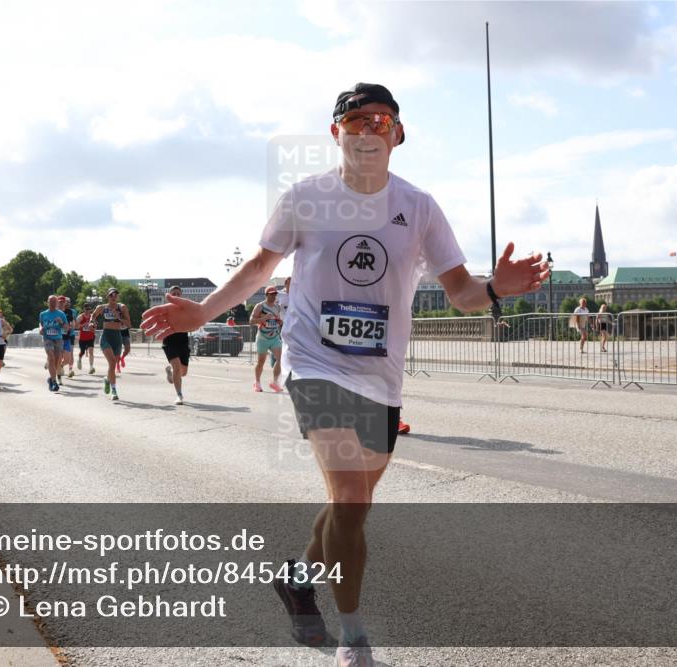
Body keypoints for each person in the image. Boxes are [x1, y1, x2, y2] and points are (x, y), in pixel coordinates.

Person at [141, 82, 548, 666]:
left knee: (348, 508)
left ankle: (297, 577)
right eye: (354, 121)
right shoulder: (306, 197)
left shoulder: (420, 206)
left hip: (381, 377)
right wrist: (203, 313)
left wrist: (493, 288)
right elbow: (261, 266)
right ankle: (355, 640)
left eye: (379, 121)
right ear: (336, 134)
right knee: (352, 497)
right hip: (313, 361)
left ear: (398, 135)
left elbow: (458, 291)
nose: (367, 130)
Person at [91, 288, 130, 400]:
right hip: (106, 336)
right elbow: (93, 315)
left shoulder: (122, 307)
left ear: (118, 297)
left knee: (113, 365)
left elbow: (129, 324)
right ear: (107, 297)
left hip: (117, 337)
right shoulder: (102, 307)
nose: (113, 296)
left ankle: (107, 380)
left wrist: (119, 317)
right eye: (111, 295)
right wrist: (91, 322)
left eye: (115, 295)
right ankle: (114, 391)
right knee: (112, 362)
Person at [250, 285, 284, 392]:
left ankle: (275, 382)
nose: (274, 296)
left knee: (281, 359)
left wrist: (279, 322)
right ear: (266, 295)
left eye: (275, 294)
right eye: (271, 294)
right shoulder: (260, 306)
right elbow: (251, 320)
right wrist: (264, 318)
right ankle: (257, 383)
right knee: (261, 362)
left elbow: (277, 319)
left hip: (274, 337)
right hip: (262, 338)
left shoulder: (277, 307)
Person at [161, 286, 190, 405]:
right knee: (177, 368)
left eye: (178, 293)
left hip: (183, 342)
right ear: (169, 296)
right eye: (174, 293)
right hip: (169, 342)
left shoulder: (185, 309)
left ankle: (170, 373)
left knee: (183, 372)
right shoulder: (164, 309)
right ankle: (179, 395)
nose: (176, 295)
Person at [39, 294, 69, 392]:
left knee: (57, 361)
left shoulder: (61, 314)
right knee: (51, 358)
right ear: (47, 303)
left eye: (54, 302)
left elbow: (66, 328)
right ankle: (54, 381)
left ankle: (51, 379)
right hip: (47, 338)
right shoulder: (43, 314)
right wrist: (40, 329)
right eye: (50, 302)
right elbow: (41, 324)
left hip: (58, 339)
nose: (52, 304)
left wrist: (61, 322)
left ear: (56, 303)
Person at [76, 307, 97, 373]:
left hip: (90, 337)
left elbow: (95, 326)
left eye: (89, 309)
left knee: (91, 352)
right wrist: (83, 324)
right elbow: (76, 326)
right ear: (84, 309)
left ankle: (91, 367)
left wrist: (93, 327)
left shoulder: (92, 317)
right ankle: (79, 359)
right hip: (82, 338)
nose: (88, 311)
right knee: (82, 352)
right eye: (86, 309)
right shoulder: (80, 317)